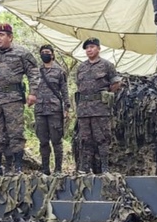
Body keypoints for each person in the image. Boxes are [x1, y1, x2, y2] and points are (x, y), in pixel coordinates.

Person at [0, 23, 40, 176]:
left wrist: (33, 93)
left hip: (13, 100)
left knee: (15, 133)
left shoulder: (22, 53)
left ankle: (17, 168)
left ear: (10, 37)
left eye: (2, 35)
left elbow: (34, 72)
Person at [74, 37, 122, 174]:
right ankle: (85, 168)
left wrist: (106, 95)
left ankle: (105, 167)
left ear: (98, 48)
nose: (89, 50)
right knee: (85, 139)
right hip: (84, 110)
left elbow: (116, 83)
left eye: (92, 47)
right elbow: (79, 86)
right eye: (87, 48)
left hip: (100, 109)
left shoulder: (107, 65)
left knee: (102, 138)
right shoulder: (81, 67)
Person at [35, 44, 71, 175]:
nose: (45, 54)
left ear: (52, 54)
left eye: (47, 52)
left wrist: (67, 108)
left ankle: (58, 169)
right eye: (43, 52)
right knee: (43, 141)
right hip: (39, 110)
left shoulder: (59, 71)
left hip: (55, 110)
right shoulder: (37, 71)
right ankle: (45, 169)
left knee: (56, 140)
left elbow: (64, 91)